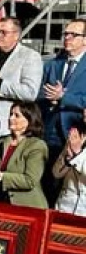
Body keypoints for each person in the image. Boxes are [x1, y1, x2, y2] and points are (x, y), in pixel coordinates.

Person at [39, 19, 86, 202]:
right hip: (49, 130)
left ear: (85, 40)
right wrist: (49, 100)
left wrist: (63, 97)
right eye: (65, 34)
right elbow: (40, 93)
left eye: (73, 35)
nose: (67, 38)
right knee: (46, 183)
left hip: (75, 133)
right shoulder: (53, 64)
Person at [0, 18, 41, 136]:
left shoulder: (30, 57)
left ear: (16, 36)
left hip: (8, 125)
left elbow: (30, 92)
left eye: (4, 32)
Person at [0, 102, 49, 208]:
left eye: (17, 115)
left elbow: (30, 181)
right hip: (1, 203)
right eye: (11, 114)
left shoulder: (36, 146)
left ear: (29, 120)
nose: (11, 118)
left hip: (28, 207)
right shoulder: (1, 142)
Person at [53, 122, 86, 216]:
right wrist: (68, 161)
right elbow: (56, 173)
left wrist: (78, 155)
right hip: (63, 207)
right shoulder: (75, 136)